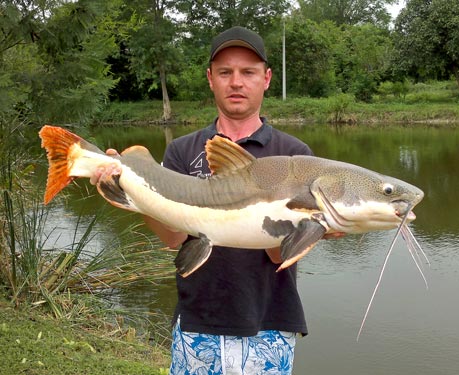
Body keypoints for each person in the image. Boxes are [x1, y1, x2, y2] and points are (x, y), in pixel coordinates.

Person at [94, 26, 317, 374]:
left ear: (267, 78)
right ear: (210, 79)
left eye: (248, 72)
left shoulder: (294, 155)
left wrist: (314, 222)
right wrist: (131, 191)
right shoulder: (182, 150)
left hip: (270, 322)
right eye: (225, 72)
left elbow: (280, 255)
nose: (236, 82)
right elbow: (173, 238)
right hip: (198, 320)